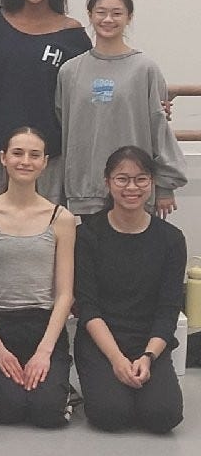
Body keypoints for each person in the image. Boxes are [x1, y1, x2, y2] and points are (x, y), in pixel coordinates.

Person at [0, 127, 76, 428]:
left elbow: (65, 293)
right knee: (8, 411)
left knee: (47, 413)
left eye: (34, 155)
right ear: (3, 158)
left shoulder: (61, 218)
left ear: (44, 162)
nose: (25, 161)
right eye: (17, 153)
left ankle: (61, 389)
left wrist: (44, 352)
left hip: (42, 326)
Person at [74, 146, 184, 433]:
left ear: (152, 183)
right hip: (102, 343)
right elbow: (87, 306)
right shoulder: (87, 235)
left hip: (149, 343)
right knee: (111, 415)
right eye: (122, 179)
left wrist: (148, 358)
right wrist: (117, 360)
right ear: (107, 182)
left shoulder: (171, 239)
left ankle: (144, 379)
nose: (131, 187)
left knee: (163, 416)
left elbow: (168, 309)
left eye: (141, 179)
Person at [56, 0, 185, 219]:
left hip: (134, 189)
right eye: (101, 12)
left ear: (129, 17)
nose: (108, 19)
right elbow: (63, 122)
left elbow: (159, 128)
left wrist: (165, 186)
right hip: (87, 190)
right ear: (90, 15)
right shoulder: (69, 71)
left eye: (116, 13)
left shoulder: (145, 69)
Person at [0, 0, 90, 203]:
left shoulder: (73, 35)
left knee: (47, 228)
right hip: (0, 152)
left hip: (50, 154)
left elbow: (92, 88)